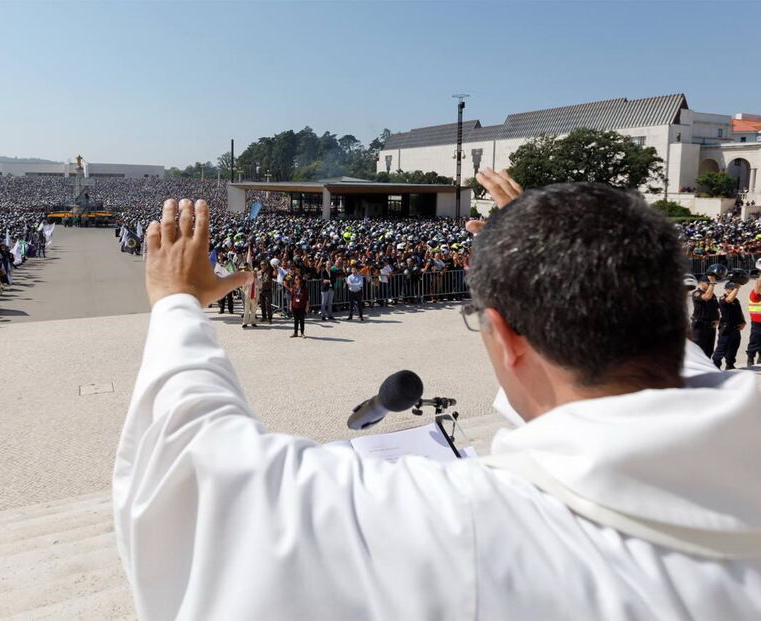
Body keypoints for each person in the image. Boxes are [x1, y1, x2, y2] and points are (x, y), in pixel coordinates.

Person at [114, 189, 761, 620]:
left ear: (506, 336)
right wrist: (555, 245)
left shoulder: (465, 527)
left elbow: (199, 473)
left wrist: (175, 300)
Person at [712, 282, 745, 370]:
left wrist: (743, 322)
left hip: (735, 328)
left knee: (734, 347)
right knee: (722, 348)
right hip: (726, 329)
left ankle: (730, 365)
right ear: (726, 289)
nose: (734, 291)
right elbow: (729, 300)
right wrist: (736, 288)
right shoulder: (723, 299)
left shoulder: (736, 300)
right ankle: (715, 366)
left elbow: (739, 312)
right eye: (732, 289)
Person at [689, 274, 720, 357]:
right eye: (708, 283)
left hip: (710, 327)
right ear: (701, 283)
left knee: (709, 351)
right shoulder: (696, 293)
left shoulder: (712, 295)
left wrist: (717, 319)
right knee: (699, 351)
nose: (710, 285)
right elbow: (706, 297)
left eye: (711, 284)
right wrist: (712, 283)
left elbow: (716, 308)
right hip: (700, 327)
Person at [748, 275, 761, 366]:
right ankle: (750, 358)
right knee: (755, 340)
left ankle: (760, 358)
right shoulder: (755, 294)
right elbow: (758, 286)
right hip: (757, 322)